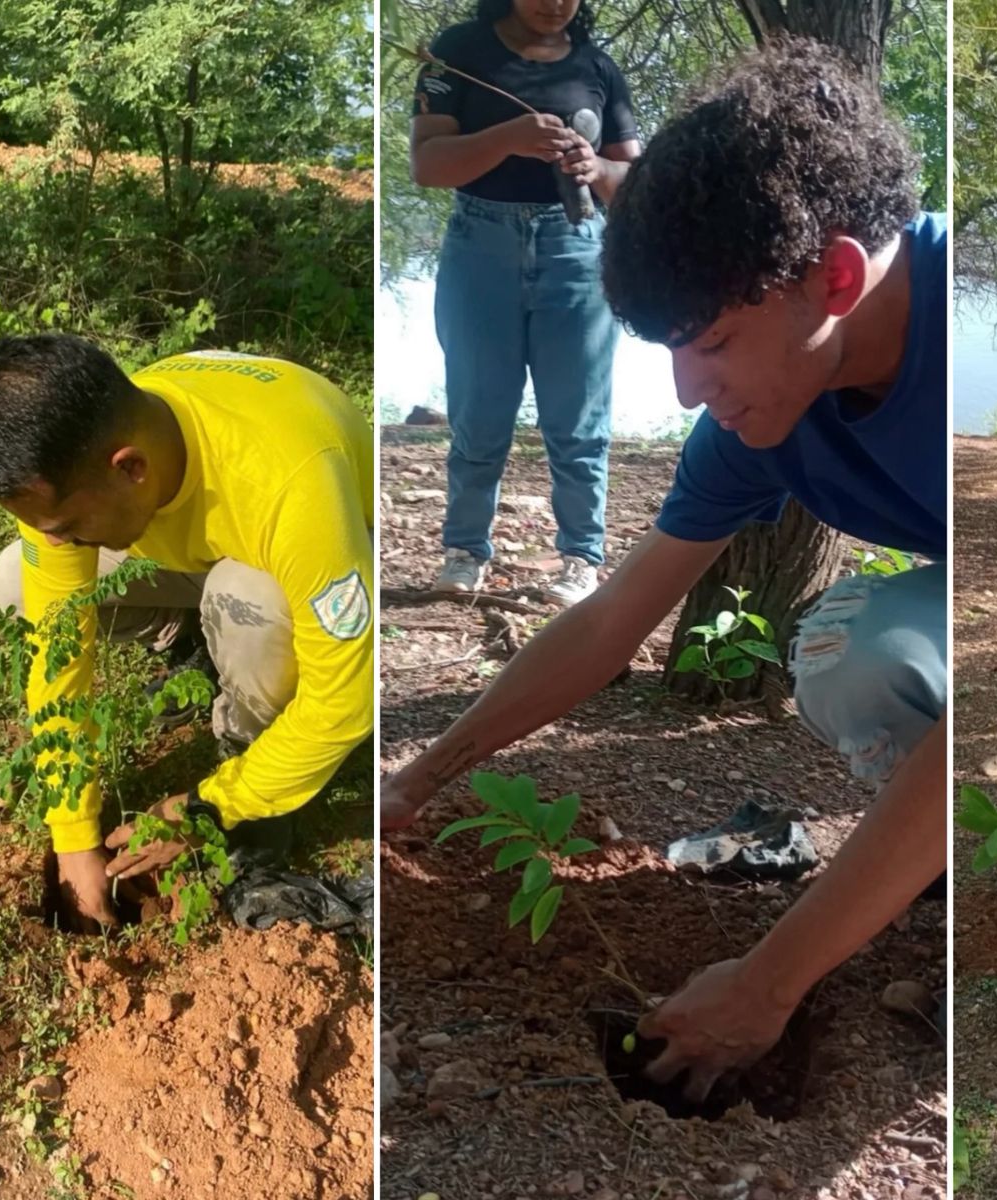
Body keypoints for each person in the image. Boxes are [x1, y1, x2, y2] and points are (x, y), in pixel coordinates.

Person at [383, 37, 948, 1101]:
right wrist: (420, 776)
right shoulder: (752, 427)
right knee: (846, 649)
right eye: (671, 357)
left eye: (716, 344)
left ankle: (954, 836)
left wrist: (770, 981)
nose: (691, 395)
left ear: (831, 276)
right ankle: (926, 855)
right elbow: (609, 623)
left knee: (914, 667)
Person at [0, 335, 374, 931]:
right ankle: (187, 636)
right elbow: (57, 657)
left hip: (304, 553)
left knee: (249, 603)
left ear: (130, 467)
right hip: (185, 546)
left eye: (65, 525)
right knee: (17, 579)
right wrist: (74, 839)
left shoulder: (293, 481)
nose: (52, 542)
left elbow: (346, 702)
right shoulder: (80, 458)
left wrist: (213, 806)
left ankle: (251, 744)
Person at [410, 0, 642, 606]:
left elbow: (638, 185)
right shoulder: (457, 53)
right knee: (479, 413)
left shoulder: (599, 67)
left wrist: (595, 168)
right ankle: (464, 551)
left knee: (578, 420)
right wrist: (509, 138)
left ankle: (579, 560)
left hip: (577, 247)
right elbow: (428, 165)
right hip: (479, 245)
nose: (554, 3)